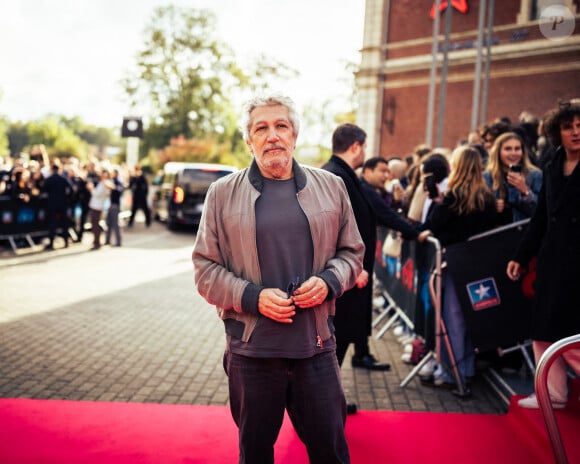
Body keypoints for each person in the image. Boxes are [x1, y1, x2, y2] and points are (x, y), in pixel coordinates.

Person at [192, 95, 364, 463]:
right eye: (261, 128)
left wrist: (330, 281)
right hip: (252, 354)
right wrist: (252, 296)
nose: (272, 136)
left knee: (331, 452)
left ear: (295, 135)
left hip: (315, 349)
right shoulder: (221, 194)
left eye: (281, 126)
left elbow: (352, 253)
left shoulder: (331, 187)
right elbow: (205, 270)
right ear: (248, 141)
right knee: (254, 454)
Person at [322, 127, 429, 385]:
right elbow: (330, 228)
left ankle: (327, 400)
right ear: (356, 147)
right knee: (336, 340)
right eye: (365, 147)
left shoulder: (343, 174)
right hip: (345, 273)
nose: (365, 153)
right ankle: (324, 402)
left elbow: (376, 212)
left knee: (342, 337)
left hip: (350, 271)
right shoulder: (337, 176)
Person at [507, 100, 580, 410]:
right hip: (552, 261)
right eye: (568, 127)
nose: (576, 132)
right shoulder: (551, 167)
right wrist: (521, 257)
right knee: (543, 327)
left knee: (571, 331)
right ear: (556, 132)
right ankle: (553, 395)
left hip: (578, 264)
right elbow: (540, 218)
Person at [420, 145, 498, 391]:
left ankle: (451, 373)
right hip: (479, 264)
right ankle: (467, 369)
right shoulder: (487, 198)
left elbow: (435, 224)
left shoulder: (453, 196)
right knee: (470, 317)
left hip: (454, 263)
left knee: (453, 318)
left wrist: (437, 202)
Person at [483, 131, 542, 225]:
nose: (513, 153)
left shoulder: (535, 175)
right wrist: (490, 207)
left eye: (517, 149)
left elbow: (541, 212)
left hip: (524, 233)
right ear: (498, 152)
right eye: (508, 149)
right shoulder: (487, 177)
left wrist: (525, 192)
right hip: (496, 233)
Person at [42, 161, 74, 250]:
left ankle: (52, 243)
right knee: (64, 223)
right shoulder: (63, 179)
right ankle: (66, 241)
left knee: (52, 223)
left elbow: (44, 190)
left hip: (52, 204)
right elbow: (71, 190)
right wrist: (67, 198)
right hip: (63, 203)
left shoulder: (49, 179)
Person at [88, 169, 112, 250]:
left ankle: (97, 242)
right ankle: (96, 241)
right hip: (97, 206)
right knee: (95, 224)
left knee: (95, 225)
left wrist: (91, 188)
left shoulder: (104, 184)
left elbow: (96, 194)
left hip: (97, 206)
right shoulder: (103, 183)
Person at [105, 168, 124, 247]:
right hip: (111, 204)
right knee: (109, 223)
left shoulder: (117, 182)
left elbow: (119, 190)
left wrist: (113, 187)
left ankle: (118, 241)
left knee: (115, 224)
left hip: (115, 204)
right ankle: (107, 240)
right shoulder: (112, 181)